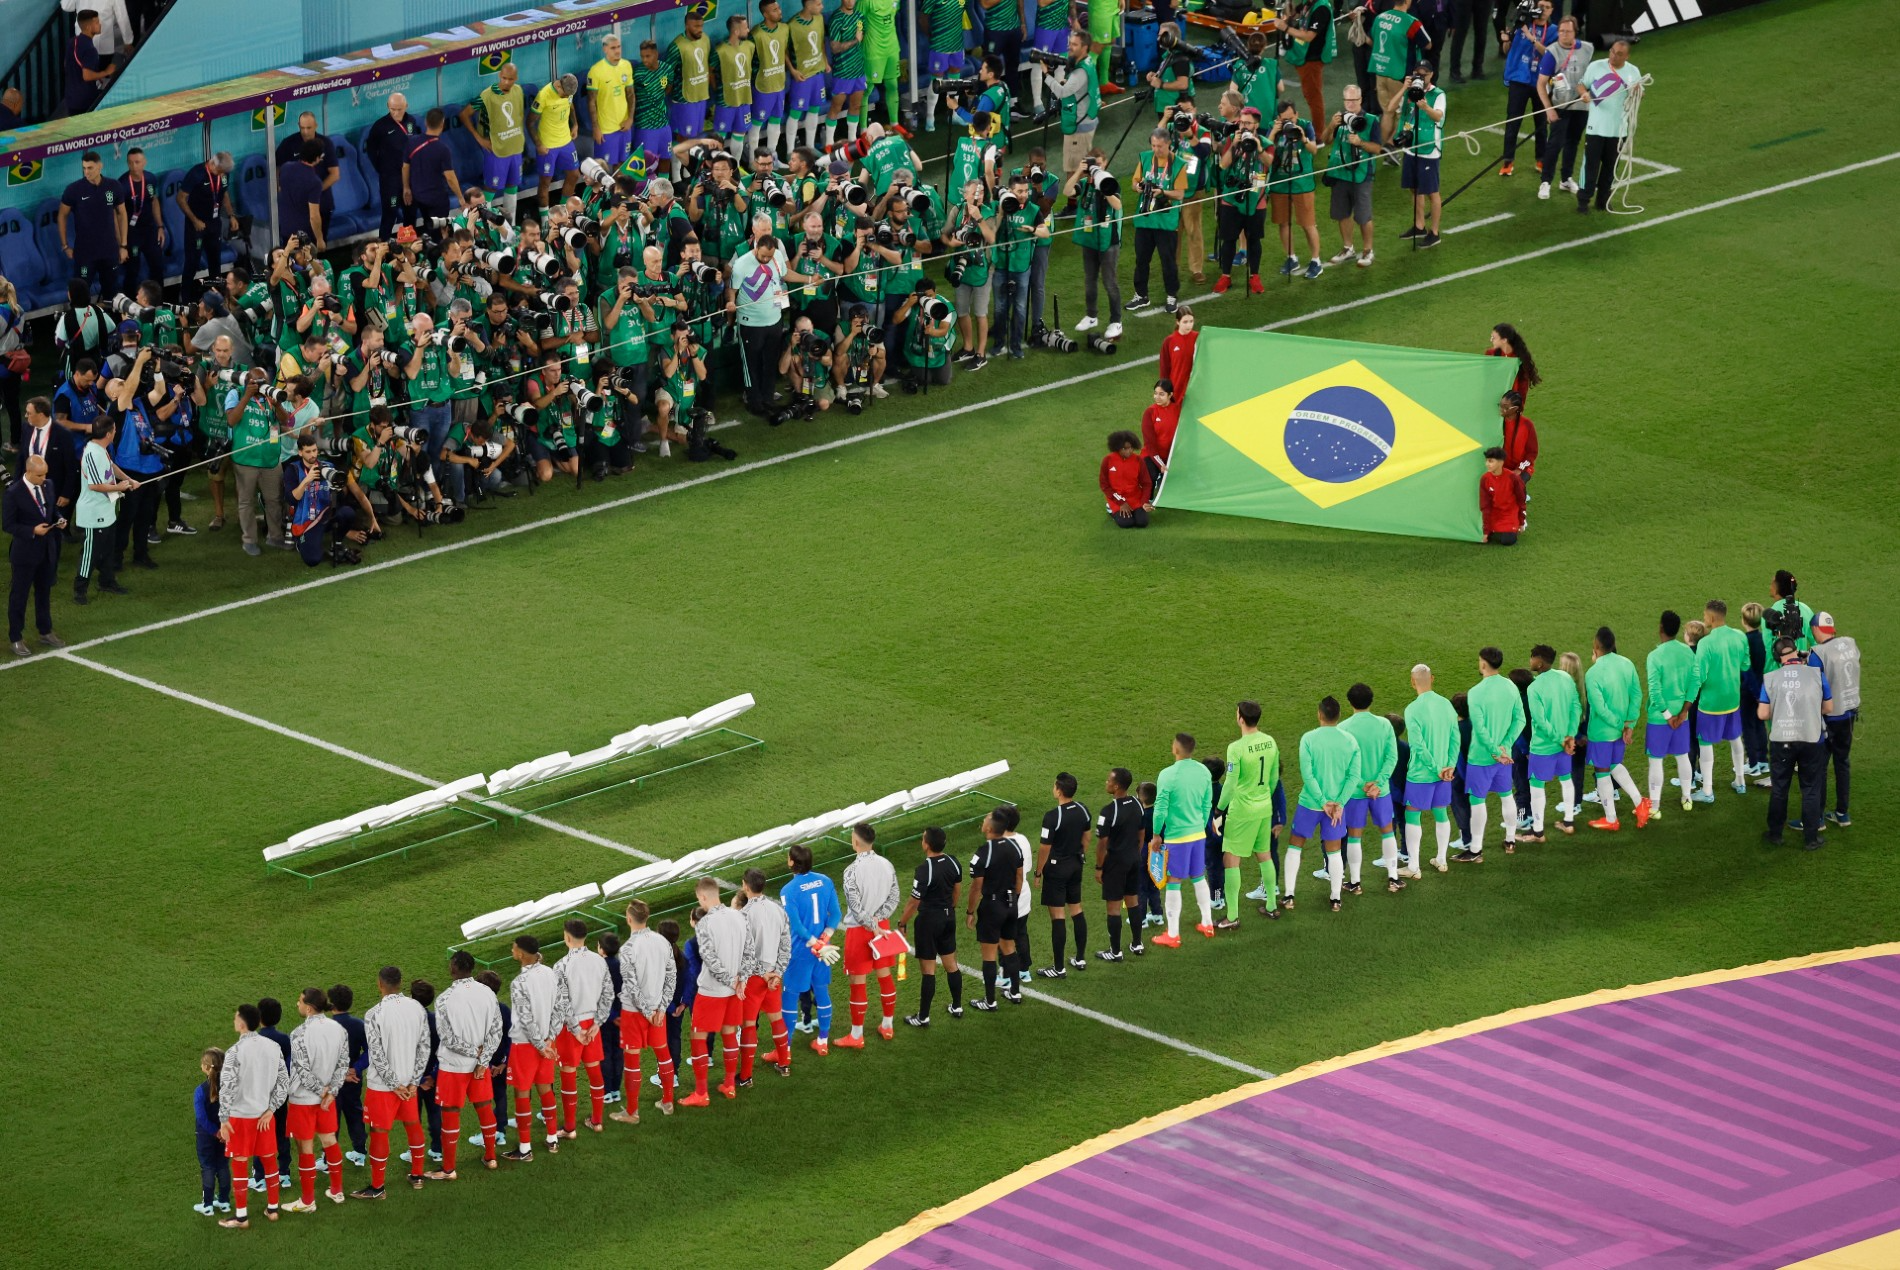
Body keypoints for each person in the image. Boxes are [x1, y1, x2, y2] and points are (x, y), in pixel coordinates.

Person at [351, 966, 430, 1201]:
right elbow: (424, 1047)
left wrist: (395, 1084)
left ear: (379, 984)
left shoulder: (374, 1014)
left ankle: (377, 1187)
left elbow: (376, 1054)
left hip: (384, 1088)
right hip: (409, 1084)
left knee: (378, 1132)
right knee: (413, 1125)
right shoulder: (417, 1008)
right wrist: (413, 1082)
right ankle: (417, 1175)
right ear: (400, 983)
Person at [1284, 697, 1362, 911]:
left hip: (1310, 804)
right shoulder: (1350, 741)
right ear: (1338, 716)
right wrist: (1339, 804)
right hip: (1336, 809)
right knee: (1334, 851)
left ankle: (1289, 895)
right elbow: (1354, 777)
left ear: (1320, 714)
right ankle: (1336, 899)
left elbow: (1307, 775)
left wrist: (1322, 802)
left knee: (1294, 846)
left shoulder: (1308, 739)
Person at [217, 1004, 290, 1229]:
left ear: (241, 1024)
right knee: (270, 1162)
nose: (233, 1021)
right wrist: (272, 1108)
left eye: (235, 1017)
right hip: (264, 1117)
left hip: (240, 1118)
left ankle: (241, 1217)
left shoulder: (234, 1052)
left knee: (239, 1164)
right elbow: (284, 1082)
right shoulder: (273, 1047)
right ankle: (273, 1209)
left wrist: (223, 1119)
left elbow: (226, 1087)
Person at [429, 952, 502, 1178]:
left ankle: (449, 1169)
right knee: (484, 1108)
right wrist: (482, 1059)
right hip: (480, 1068)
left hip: (453, 1067)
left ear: (453, 968)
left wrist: (474, 1053)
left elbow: (448, 1038)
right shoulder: (488, 992)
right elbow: (496, 1030)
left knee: (450, 1113)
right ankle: (491, 1158)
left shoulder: (443, 999)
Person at [1214, 699, 1286, 923]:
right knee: (1264, 855)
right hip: (1264, 808)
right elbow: (1274, 777)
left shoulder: (1236, 748)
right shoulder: (1270, 742)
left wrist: (1219, 809)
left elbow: (1230, 783)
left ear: (1240, 719)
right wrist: (1263, 795)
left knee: (1231, 859)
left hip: (1242, 811)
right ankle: (1272, 906)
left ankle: (1233, 917)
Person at [1758, 635, 1833, 850]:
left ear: (1777, 657)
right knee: (1810, 788)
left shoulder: (1771, 677)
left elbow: (1763, 714)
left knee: (1780, 788)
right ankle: (1811, 839)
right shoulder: (1816, 674)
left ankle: (1775, 834)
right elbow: (1828, 707)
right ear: (1795, 651)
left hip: (1782, 740)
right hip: (1811, 738)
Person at [681, 878, 748, 1104]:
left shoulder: (704, 924)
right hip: (736, 990)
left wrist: (730, 981)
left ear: (702, 897)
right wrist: (741, 981)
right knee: (729, 1033)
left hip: (712, 991)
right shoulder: (739, 916)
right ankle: (729, 1084)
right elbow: (749, 952)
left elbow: (710, 959)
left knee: (698, 1037)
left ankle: (701, 1093)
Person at [282, 988, 349, 1211]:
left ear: (309, 1008)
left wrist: (322, 1092)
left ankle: (308, 1201)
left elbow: (302, 1070)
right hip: (327, 1100)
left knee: (306, 1147)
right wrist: (332, 1092)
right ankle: (337, 1190)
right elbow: (343, 1064)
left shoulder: (299, 1034)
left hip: (304, 1099)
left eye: (299, 1001)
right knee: (330, 1140)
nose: (297, 1004)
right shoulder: (339, 1029)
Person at [613, 899, 679, 1122]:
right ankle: (667, 1101)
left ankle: (632, 1112)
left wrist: (647, 1011)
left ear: (629, 918)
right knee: (663, 1054)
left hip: (635, 1013)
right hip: (657, 1011)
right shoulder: (663, 942)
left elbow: (631, 986)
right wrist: (661, 1007)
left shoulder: (628, 949)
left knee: (632, 1060)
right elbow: (672, 976)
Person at [1458, 646, 1524, 860]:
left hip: (1481, 757)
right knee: (1506, 796)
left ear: (1484, 663)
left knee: (1478, 801)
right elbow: (1520, 720)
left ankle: (1476, 849)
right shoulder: (1511, 687)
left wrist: (1496, 750)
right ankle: (1511, 839)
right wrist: (1505, 747)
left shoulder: (1476, 692)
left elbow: (1480, 729)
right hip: (1504, 758)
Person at [838, 821, 901, 1045]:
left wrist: (869, 924)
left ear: (855, 842)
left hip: (859, 931)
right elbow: (894, 897)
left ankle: (856, 1035)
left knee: (858, 981)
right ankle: (888, 1026)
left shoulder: (851, 871)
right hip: (882, 928)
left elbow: (855, 907)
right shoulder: (887, 864)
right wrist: (877, 921)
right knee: (884, 975)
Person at [1150, 732, 1215, 947]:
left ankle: (1173, 934)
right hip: (1198, 834)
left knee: (1174, 881)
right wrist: (1200, 824)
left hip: (1178, 837)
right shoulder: (1203, 771)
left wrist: (1157, 833)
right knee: (1198, 877)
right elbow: (1207, 803)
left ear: (1176, 749)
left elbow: (1160, 808)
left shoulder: (1167, 774)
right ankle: (1207, 923)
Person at [1584, 625, 1650, 832]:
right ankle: (1640, 802)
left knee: (1602, 771)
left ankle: (1611, 819)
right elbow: (1637, 695)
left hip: (1602, 732)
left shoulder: (1592, 673)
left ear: (1596, 646)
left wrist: (1620, 725)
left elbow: (1600, 708)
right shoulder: (1627, 664)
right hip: (1620, 730)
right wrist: (1629, 724)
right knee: (1614, 764)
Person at [502, 935, 561, 1161]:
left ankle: (525, 1149)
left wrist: (538, 1044)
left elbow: (525, 1018)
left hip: (525, 1046)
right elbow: (559, 1008)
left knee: (522, 1093)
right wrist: (548, 1040)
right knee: (545, 1088)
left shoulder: (519, 983)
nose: (512, 950)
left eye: (514, 948)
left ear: (522, 954)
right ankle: (552, 1138)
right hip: (547, 1042)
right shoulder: (550, 973)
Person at [552, 919, 613, 1137]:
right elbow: (608, 994)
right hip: (592, 1025)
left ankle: (569, 1128)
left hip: (572, 1028)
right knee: (594, 1071)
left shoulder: (561, 966)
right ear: (585, 937)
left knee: (568, 1074)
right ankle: (597, 1121)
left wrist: (576, 1030)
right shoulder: (600, 961)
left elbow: (562, 1002)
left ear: (567, 938)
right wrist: (597, 1024)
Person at [1337, 684, 1402, 890]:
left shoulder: (1343, 728)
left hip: (1355, 793)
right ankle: (1393, 877)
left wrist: (1361, 784)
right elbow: (1392, 758)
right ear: (1371, 700)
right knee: (1388, 832)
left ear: (1350, 702)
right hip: (1380, 791)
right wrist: (1379, 784)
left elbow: (1343, 765)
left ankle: (1355, 882)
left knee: (1354, 836)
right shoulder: (1385, 725)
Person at [898, 827, 964, 1025]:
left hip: (929, 921)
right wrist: (950, 909)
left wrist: (902, 922)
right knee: (951, 964)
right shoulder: (954, 861)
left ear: (927, 844)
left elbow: (913, 902)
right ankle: (957, 1006)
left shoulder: (924, 869)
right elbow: (957, 890)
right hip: (948, 917)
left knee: (928, 970)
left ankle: (923, 1016)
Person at [1400, 664, 1459, 875]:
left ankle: (1414, 866)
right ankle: (1442, 860)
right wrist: (1449, 766)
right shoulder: (1447, 705)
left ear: (1412, 681)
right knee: (1441, 812)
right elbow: (1455, 738)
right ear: (1432, 679)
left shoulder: (1412, 709)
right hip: (1445, 773)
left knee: (1412, 814)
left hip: (1421, 774)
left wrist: (1435, 769)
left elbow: (1418, 746)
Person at [1519, 644, 1581, 842]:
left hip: (1543, 747)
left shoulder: (1534, 687)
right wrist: (1569, 736)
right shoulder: (1566, 678)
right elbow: (1575, 707)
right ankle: (1569, 822)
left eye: (1531, 657)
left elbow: (1540, 721)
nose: (1530, 661)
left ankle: (1538, 832)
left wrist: (1560, 739)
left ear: (1540, 661)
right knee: (1565, 779)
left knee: (1537, 787)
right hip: (1563, 744)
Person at [5, 456, 67, 657]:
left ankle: (45, 631)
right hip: (24, 553)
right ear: (29, 472)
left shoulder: (48, 484)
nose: (44, 478)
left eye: (46, 474)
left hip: (46, 550)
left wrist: (59, 518)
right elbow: (8, 525)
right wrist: (32, 530)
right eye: (40, 475)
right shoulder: (14, 493)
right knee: (19, 596)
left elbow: (51, 510)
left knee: (44, 593)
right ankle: (16, 637)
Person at [1691, 599, 1751, 800]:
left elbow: (1698, 676)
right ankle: (1740, 780)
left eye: (1704, 614)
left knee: (1706, 743)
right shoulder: (1739, 636)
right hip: (1733, 699)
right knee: (1735, 738)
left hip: (1711, 703)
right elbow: (1745, 665)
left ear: (1711, 617)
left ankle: (1707, 790)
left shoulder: (1705, 643)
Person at [1032, 773, 1091, 977]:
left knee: (1058, 916)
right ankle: (1080, 958)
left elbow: (1044, 849)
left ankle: (1058, 968)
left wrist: (1038, 872)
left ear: (1059, 790)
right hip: (1075, 864)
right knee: (1076, 910)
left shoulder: (1052, 816)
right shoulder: (1083, 809)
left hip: (1057, 869)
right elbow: (1087, 837)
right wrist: (1080, 854)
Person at [736, 868, 793, 1081]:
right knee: (776, 1018)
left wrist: (763, 974)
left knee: (749, 1024)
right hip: (774, 978)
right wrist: (776, 974)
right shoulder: (779, 909)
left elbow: (746, 953)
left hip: (753, 979)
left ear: (745, 885)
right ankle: (784, 1063)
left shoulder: (744, 915)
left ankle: (746, 1076)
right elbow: (786, 945)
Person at [1574, 34, 1640, 215]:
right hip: (1596, 127)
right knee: (1590, 166)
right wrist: (1584, 94)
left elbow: (1639, 95)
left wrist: (1637, 93)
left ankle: (1603, 201)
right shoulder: (1596, 66)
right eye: (1612, 52)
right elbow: (1581, 85)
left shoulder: (1633, 72)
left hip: (1619, 129)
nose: (1614, 56)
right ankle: (1583, 200)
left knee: (1610, 168)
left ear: (1626, 56)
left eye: (1619, 54)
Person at [967, 808, 1025, 1009]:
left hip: (992, 905)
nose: (983, 821)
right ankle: (1015, 992)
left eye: (985, 819)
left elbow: (976, 886)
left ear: (990, 828)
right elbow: (1019, 877)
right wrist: (1014, 898)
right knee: (1009, 948)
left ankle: (990, 1001)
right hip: (1011, 902)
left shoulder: (984, 851)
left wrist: (970, 911)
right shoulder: (1014, 846)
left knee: (989, 955)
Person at [1126, 128, 1188, 315]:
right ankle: (1141, 295)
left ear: (1168, 143)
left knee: (1168, 261)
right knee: (1141, 260)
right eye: (1153, 145)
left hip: (1166, 222)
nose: (1156, 149)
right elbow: (1134, 182)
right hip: (1145, 220)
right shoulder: (1145, 158)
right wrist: (1139, 188)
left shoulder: (1178, 164)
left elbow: (1180, 194)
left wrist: (1162, 192)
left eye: (1159, 146)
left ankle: (1171, 295)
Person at [726, 234, 789, 415]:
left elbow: (785, 274)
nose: (766, 260)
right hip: (750, 323)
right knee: (751, 364)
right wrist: (731, 302)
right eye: (763, 256)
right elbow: (732, 289)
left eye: (769, 256)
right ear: (756, 247)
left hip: (774, 320)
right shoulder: (742, 264)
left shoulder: (776, 256)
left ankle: (768, 398)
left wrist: (808, 280)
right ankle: (754, 401)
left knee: (770, 362)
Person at [1644, 611, 1699, 817]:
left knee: (1656, 760)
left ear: (1660, 628)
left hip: (1660, 719)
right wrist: (1683, 712)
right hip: (1681, 716)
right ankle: (1687, 797)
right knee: (1682, 756)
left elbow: (1655, 691)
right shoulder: (1688, 652)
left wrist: (1668, 716)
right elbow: (1695, 682)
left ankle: (1655, 807)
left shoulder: (1654, 656)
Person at [1808, 613, 1859, 828]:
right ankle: (1842, 813)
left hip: (1828, 717)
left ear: (1815, 629)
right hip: (1850, 712)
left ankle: (1817, 819)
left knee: (1819, 766)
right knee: (1842, 762)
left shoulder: (1817, 653)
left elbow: (1811, 686)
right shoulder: (1850, 643)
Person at [460, 61, 529, 219]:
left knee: (512, 186)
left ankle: (510, 227)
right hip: (496, 151)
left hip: (515, 149)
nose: (506, 82)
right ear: (499, 75)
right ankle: (487, 226)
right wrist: (479, 139)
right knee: (491, 188)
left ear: (516, 78)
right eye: (504, 78)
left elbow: (519, 115)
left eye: (510, 79)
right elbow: (464, 114)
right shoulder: (487, 95)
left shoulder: (518, 91)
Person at [1265, 102, 1325, 281]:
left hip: (1302, 183)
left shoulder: (1306, 125)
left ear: (1297, 115)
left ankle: (1316, 261)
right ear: (1278, 119)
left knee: (1308, 224)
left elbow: (1314, 150)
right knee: (1283, 223)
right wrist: (1275, 132)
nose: (1289, 122)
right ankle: (1291, 257)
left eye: (1291, 118)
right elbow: (1264, 151)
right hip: (1279, 183)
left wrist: (1304, 138)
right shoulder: (1271, 128)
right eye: (1284, 120)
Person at [1534, 16, 1591, 201]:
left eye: (1567, 31)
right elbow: (1541, 84)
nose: (1564, 34)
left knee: (1573, 142)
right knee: (1555, 143)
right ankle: (1546, 182)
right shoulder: (1552, 52)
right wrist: (1548, 109)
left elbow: (1590, 75)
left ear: (1575, 32)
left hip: (1580, 105)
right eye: (1561, 31)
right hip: (1560, 105)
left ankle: (1566, 178)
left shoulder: (1587, 49)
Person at [1497, 0, 1555, 178]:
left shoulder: (1553, 31)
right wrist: (1506, 41)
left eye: (1547, 7)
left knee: (1540, 123)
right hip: (1519, 80)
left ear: (1551, 10)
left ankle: (1541, 159)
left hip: (1540, 82)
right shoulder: (1521, 25)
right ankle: (1508, 161)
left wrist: (1531, 38)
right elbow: (1508, 50)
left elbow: (1550, 55)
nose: (1543, 10)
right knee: (1513, 121)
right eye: (1541, 6)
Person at [1325, 84, 1381, 268]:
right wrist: (1332, 125)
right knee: (1342, 213)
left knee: (1363, 215)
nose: (1349, 103)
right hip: (1340, 173)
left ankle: (1368, 250)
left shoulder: (1372, 120)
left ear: (1360, 100)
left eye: (1353, 100)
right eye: (1347, 100)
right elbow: (1325, 140)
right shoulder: (1339, 118)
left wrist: (1360, 143)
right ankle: (1348, 248)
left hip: (1361, 174)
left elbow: (1378, 148)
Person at [57, 152, 125, 291]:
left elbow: (122, 214)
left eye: (90, 168)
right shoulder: (74, 190)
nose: (86, 172)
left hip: (109, 251)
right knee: (80, 293)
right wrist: (65, 246)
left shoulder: (113, 186)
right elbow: (62, 216)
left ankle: (111, 313)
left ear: (100, 166)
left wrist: (123, 245)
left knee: (112, 293)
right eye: (84, 168)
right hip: (85, 254)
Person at [1398, 61, 1447, 248]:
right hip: (1412, 146)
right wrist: (1404, 88)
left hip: (1429, 149)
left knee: (1432, 192)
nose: (1421, 77)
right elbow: (1394, 109)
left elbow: (1438, 116)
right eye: (1418, 73)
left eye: (1424, 74)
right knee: (1414, 187)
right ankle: (1419, 225)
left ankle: (1434, 232)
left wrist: (1425, 107)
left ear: (1431, 75)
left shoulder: (1439, 94)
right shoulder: (1410, 92)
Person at [1369, 0, 1430, 146]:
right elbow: (1427, 44)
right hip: (1400, 76)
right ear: (1408, 1)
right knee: (1401, 114)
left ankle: (1380, 148)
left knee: (1387, 112)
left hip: (1380, 72)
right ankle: (1391, 149)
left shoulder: (1380, 17)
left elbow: (1373, 39)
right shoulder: (1411, 23)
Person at [176, 153, 239, 294]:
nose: (222, 175)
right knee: (192, 262)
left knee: (215, 262)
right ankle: (185, 298)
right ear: (213, 164)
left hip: (214, 223)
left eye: (224, 173)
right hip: (196, 225)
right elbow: (180, 198)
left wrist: (231, 215)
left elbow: (224, 194)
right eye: (220, 171)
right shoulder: (196, 174)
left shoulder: (223, 174)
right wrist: (194, 220)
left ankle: (214, 294)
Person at [363, 93, 421, 239]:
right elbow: (370, 151)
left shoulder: (412, 122)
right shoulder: (380, 126)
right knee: (391, 213)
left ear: (406, 106)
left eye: (399, 109)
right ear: (388, 107)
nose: (395, 113)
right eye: (392, 109)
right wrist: (383, 169)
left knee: (410, 213)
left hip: (409, 178)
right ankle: (383, 247)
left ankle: (408, 246)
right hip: (391, 181)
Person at [1281, 0, 1337, 126]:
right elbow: (1292, 15)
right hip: (1304, 55)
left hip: (1312, 59)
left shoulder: (1321, 8)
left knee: (1313, 97)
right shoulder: (1309, 3)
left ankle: (1318, 134)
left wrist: (1285, 28)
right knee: (1310, 95)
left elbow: (1308, 36)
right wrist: (1288, 4)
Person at [403, 109, 465, 222]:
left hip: (418, 196)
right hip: (437, 199)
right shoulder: (442, 149)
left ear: (425, 122)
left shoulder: (412, 142)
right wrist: (461, 198)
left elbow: (405, 167)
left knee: (428, 227)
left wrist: (406, 188)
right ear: (442, 124)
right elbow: (450, 178)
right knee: (439, 232)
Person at [118, 147, 164, 295]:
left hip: (150, 229)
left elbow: (154, 201)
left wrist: (160, 226)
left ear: (144, 162)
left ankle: (157, 304)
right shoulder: (122, 185)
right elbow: (117, 215)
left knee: (157, 265)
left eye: (137, 162)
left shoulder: (150, 179)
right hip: (132, 233)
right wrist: (122, 244)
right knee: (133, 270)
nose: (134, 166)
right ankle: (129, 307)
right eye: (130, 163)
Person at [532, 73, 582, 207]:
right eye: (564, 94)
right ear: (559, 85)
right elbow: (529, 123)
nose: (566, 97)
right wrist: (539, 144)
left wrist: (575, 124)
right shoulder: (543, 96)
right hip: (548, 145)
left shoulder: (568, 92)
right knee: (545, 183)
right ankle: (545, 222)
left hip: (566, 141)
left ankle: (563, 211)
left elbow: (570, 106)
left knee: (575, 175)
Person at [194, 1048, 234, 1216]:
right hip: (226, 1135)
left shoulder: (200, 1091)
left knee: (208, 1167)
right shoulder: (230, 1088)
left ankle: (208, 1204)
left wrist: (215, 1132)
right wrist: (223, 1132)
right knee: (223, 1166)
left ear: (205, 1067)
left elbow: (201, 1118)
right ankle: (224, 1202)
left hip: (206, 1137)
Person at [63, 9, 117, 116]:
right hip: (85, 100)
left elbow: (66, 64)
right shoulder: (90, 49)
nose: (100, 24)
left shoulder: (72, 41)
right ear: (88, 27)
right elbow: (87, 76)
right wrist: (106, 72)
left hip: (71, 98)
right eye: (96, 22)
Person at [278, 142, 328, 251]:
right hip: (304, 233)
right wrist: (320, 239)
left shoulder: (285, 167)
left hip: (285, 227)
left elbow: (281, 189)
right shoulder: (314, 182)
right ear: (317, 158)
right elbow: (314, 216)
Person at [1098, 429, 1154, 529]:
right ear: (1117, 448)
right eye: (1125, 448)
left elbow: (1146, 483)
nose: (1129, 451)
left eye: (1131, 448)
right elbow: (1104, 485)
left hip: (1135, 497)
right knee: (1126, 523)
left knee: (1142, 522)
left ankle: (1135, 511)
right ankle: (1110, 508)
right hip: (1116, 498)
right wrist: (1121, 503)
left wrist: (1144, 501)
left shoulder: (1138, 460)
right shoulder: (1108, 460)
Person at [1140, 378, 1180, 495]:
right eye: (1155, 393)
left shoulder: (1178, 410)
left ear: (1170, 395)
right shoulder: (1149, 413)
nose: (1157, 397)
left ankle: (1162, 480)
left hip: (1171, 456)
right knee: (1149, 478)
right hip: (1151, 456)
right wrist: (1161, 465)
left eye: (1161, 394)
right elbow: (1149, 444)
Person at [1765, 569, 1816, 655]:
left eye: (1772, 584)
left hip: (1781, 666)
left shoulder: (1772, 612)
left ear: (1776, 588)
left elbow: (1767, 646)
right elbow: (1816, 642)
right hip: (1801, 665)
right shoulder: (1806, 610)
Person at [1498, 391, 1537, 500]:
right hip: (1503, 467)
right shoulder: (1498, 423)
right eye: (1500, 405)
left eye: (1505, 407)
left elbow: (1532, 452)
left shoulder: (1527, 425)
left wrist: (1520, 469)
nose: (1501, 409)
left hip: (1523, 468)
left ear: (1515, 408)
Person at [1479, 447, 1523, 544]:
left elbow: (1521, 500)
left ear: (1500, 462)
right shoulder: (1485, 479)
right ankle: (1492, 530)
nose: (1487, 464)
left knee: (1507, 541)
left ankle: (1514, 527)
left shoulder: (1513, 478)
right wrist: (1486, 531)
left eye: (1490, 461)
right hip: (1494, 514)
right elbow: (1485, 505)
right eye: (1486, 461)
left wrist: (1521, 522)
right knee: (1481, 537)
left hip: (1509, 514)